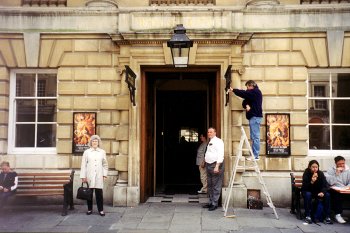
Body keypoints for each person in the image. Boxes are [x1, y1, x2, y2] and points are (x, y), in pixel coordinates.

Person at [230, 80, 263, 160]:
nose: (247, 89)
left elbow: (244, 94)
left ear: (251, 85)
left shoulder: (256, 92)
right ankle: (254, 155)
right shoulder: (252, 94)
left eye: (247, 87)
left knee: (255, 137)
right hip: (253, 117)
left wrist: (233, 90)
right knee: (253, 136)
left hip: (255, 117)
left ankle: (255, 156)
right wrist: (247, 105)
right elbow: (244, 102)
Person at [80, 135, 108, 217]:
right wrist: (83, 176)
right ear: (91, 143)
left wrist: (104, 174)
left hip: (99, 175)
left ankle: (101, 210)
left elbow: (105, 164)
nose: (95, 142)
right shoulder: (87, 152)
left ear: (98, 142)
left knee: (99, 194)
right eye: (93, 141)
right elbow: (83, 165)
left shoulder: (102, 152)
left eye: (96, 141)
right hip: (89, 175)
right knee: (89, 194)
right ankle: (89, 209)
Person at [301, 160, 332, 224]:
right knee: (308, 194)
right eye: (313, 167)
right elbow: (305, 187)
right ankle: (308, 215)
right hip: (308, 192)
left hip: (318, 192)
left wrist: (322, 192)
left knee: (327, 195)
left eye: (316, 167)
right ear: (309, 167)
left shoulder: (320, 173)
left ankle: (327, 216)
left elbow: (325, 185)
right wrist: (312, 182)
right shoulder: (306, 173)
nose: (315, 169)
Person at [203, 127, 224, 211]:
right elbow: (209, 153)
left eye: (211, 132)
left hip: (215, 165)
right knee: (210, 185)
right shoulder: (210, 141)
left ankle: (215, 203)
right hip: (208, 165)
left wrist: (217, 166)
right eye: (208, 132)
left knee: (216, 185)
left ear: (215, 133)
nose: (209, 133)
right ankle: (211, 202)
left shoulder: (218, 141)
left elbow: (220, 154)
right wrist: (204, 161)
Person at [325, 155, 350, 224]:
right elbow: (330, 182)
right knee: (337, 195)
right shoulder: (331, 170)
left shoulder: (348, 170)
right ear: (336, 163)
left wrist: (347, 187)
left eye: (343, 163)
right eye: (340, 164)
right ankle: (338, 215)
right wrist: (336, 174)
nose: (342, 165)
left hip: (344, 189)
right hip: (334, 189)